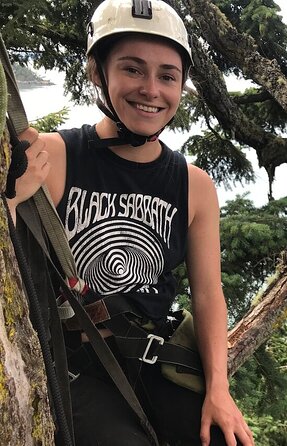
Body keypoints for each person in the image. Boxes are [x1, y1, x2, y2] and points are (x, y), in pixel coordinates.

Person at [6, 0, 254, 445]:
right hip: (75, 365)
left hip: (154, 359)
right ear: (99, 73)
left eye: (167, 76)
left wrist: (220, 388)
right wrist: (10, 196)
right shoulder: (50, 157)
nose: (151, 89)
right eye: (133, 69)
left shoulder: (193, 186)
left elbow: (208, 292)